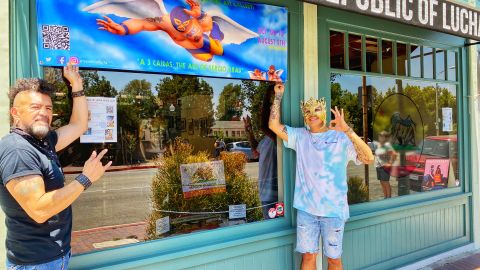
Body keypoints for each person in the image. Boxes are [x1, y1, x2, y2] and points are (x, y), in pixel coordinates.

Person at [0, 64, 112, 269]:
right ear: (15, 113)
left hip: (53, 257)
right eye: (35, 107)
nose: (44, 113)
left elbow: (79, 125)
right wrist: (85, 179)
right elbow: (39, 210)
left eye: (48, 108)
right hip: (36, 263)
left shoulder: (43, 142)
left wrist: (76, 85)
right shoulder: (18, 150)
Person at [268, 82, 374, 270]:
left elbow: (368, 157)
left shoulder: (340, 138)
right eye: (307, 111)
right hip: (307, 211)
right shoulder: (300, 137)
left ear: (324, 112)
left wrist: (347, 130)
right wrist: (278, 96)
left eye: (316, 109)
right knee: (308, 257)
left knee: (334, 260)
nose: (312, 114)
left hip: (334, 211)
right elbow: (273, 125)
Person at [94, 0, 224, 62]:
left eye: (186, 24)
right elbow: (142, 24)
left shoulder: (192, 15)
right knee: (208, 58)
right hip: (193, 49)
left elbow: (207, 23)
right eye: (180, 24)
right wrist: (123, 28)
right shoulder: (164, 21)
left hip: (205, 40)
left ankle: (216, 34)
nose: (183, 27)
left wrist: (199, 14)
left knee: (219, 50)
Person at [243, 83, 278, 218]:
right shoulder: (266, 139)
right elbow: (255, 151)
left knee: (273, 230)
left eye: (262, 112)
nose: (260, 115)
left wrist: (269, 92)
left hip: (275, 195)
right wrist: (249, 131)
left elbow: (264, 124)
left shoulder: (276, 135)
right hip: (265, 194)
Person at [373, 131, 397, 199]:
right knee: (382, 182)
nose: (380, 137)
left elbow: (394, 154)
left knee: (386, 182)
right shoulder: (378, 145)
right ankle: (385, 197)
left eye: (382, 136)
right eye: (379, 136)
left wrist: (390, 163)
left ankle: (388, 198)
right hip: (378, 166)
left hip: (384, 167)